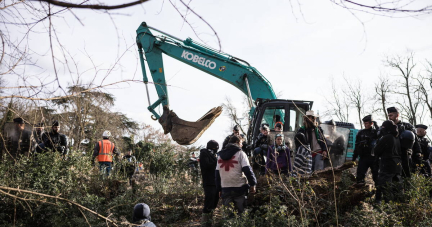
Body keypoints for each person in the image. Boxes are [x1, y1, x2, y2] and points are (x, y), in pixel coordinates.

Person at [216, 135, 256, 216]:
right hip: (239, 188)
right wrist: (253, 183)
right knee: (242, 214)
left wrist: (219, 189)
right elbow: (247, 170)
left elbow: (217, 174)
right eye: (241, 143)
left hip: (225, 188)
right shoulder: (241, 154)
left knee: (228, 215)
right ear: (237, 143)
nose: (242, 145)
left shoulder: (220, 156)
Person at [387, 107, 422, 177]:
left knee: (407, 173)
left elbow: (415, 140)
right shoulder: (387, 127)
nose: (389, 118)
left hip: (405, 154)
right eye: (389, 116)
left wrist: (418, 152)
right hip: (392, 155)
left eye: (391, 115)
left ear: (397, 115)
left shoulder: (407, 126)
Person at [374, 120, 402, 203]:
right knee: (396, 188)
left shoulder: (387, 137)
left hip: (387, 166)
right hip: (397, 166)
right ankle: (396, 206)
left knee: (384, 187)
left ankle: (385, 206)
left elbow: (376, 151)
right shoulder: (396, 138)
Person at [352, 115, 379, 185]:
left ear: (371, 123)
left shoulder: (375, 132)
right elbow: (356, 145)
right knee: (360, 176)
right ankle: (361, 190)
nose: (365, 125)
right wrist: (354, 157)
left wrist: (377, 126)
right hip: (364, 156)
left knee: (377, 176)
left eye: (367, 123)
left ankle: (378, 191)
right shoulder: (361, 133)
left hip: (374, 157)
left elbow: (381, 135)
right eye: (364, 123)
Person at [199, 140, 219, 226]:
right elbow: (207, 165)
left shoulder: (212, 155)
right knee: (209, 202)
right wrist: (217, 161)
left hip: (215, 182)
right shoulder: (204, 153)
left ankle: (209, 222)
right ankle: (205, 223)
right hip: (209, 182)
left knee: (214, 202)